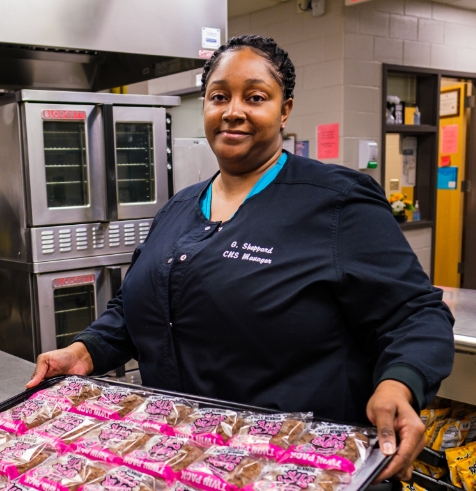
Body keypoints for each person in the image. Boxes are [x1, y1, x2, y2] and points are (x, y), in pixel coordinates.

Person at [27, 35, 454, 483]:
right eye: (218, 97)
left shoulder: (336, 202)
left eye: (255, 97)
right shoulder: (178, 207)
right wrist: (84, 350)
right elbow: (138, 306)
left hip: (297, 465)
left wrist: (398, 383)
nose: (233, 110)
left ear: (285, 109)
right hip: (175, 457)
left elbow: (415, 313)